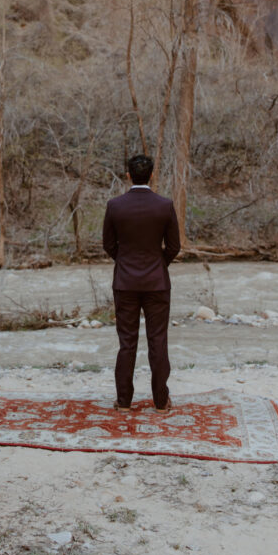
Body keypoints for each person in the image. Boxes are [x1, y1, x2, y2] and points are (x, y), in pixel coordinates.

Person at [101, 154, 180, 413]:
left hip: (125, 283)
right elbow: (174, 247)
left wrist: (124, 263)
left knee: (127, 342)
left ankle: (124, 401)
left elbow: (108, 245)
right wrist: (158, 265)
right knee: (158, 341)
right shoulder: (164, 205)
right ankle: (160, 402)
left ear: (128, 175)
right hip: (157, 283)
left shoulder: (115, 206)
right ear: (152, 175)